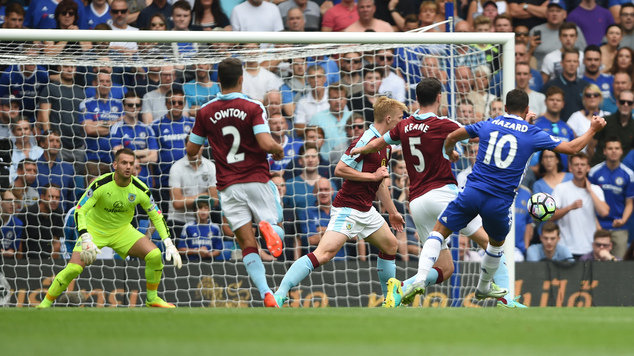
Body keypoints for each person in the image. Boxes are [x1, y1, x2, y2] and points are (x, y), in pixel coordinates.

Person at [394, 88, 606, 304]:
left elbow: (452, 136)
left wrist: (450, 152)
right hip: (499, 202)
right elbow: (572, 147)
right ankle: (484, 287)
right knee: (495, 246)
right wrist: (592, 129)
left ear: (504, 108)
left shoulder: (489, 124)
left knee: (439, 231)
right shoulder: (532, 132)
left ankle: (420, 278)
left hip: (472, 193)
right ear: (526, 111)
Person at [352, 80, 529, 308]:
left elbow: (377, 144)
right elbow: (483, 135)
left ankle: (402, 287)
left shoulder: (404, 125)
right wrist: (518, 124)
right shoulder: (444, 124)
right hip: (442, 195)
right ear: (439, 97)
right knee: (492, 242)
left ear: (417, 98)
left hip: (416, 203)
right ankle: (507, 298)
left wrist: (359, 149)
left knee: (445, 268)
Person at [273, 96, 406, 307]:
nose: (402, 122)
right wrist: (372, 177)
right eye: (400, 118)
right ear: (388, 118)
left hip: (366, 209)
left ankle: (389, 300)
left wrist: (391, 212)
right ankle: (280, 293)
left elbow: (380, 183)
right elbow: (340, 169)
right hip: (348, 208)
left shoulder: (386, 146)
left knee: (391, 244)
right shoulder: (364, 141)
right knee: (324, 254)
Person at [186, 57, 285, 308]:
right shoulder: (253, 106)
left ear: (217, 80)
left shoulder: (205, 111)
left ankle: (266, 293)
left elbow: (191, 149)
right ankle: (268, 228)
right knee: (275, 227)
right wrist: (278, 149)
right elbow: (264, 143)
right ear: (242, 78)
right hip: (256, 179)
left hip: (228, 186)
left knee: (245, 243)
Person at [37, 149, 182, 308]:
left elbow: (156, 216)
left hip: (122, 231)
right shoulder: (101, 184)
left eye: (131, 164)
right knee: (73, 268)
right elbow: (80, 210)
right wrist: (85, 236)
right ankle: (45, 303)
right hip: (94, 231)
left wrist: (168, 243)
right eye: (124, 163)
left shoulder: (140, 188)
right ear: (115, 165)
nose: (128, 167)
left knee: (154, 255)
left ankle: (152, 299)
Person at [551, 152, 609, 259]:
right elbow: (551, 216)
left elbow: (604, 212)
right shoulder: (561, 188)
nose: (579, 168)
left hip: (590, 248)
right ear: (570, 168)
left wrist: (590, 191)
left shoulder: (596, 190)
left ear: (588, 168)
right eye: (576, 165)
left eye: (582, 165)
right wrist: (569, 207)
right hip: (566, 248)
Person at [588, 137, 634, 259]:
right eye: (610, 148)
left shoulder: (629, 175)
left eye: (616, 148)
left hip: (619, 227)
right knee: (596, 265)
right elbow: (590, 202)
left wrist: (623, 220)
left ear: (621, 151)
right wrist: (596, 222)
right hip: (598, 226)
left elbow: (630, 202)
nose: (613, 151)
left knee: (619, 266)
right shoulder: (594, 172)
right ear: (604, 151)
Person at [168, 137, 218, 242]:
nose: (196, 149)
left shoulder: (210, 166)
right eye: (192, 145)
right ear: (186, 146)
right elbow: (177, 203)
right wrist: (202, 196)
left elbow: (215, 200)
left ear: (203, 146)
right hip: (178, 220)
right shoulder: (176, 168)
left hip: (203, 221)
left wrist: (185, 200)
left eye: (199, 146)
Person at [18, 184, 64, 260]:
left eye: (57, 197)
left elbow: (56, 242)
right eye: (51, 197)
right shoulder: (26, 213)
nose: (54, 200)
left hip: (47, 261)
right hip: (27, 261)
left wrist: (52, 264)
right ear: (42, 197)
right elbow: (19, 242)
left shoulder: (59, 213)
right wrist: (20, 264)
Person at [178, 196, 223, 261]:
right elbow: (181, 249)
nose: (203, 211)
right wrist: (197, 251)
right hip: (191, 263)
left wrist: (208, 254)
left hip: (210, 263)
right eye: (200, 208)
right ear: (195, 210)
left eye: (206, 208)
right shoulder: (188, 226)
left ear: (209, 210)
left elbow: (218, 249)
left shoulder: (215, 228)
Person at [0, 190, 24, 259]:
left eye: (15, 202)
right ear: (1, 201)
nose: (13, 204)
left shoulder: (18, 224)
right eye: (9, 200)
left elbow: (12, 251)